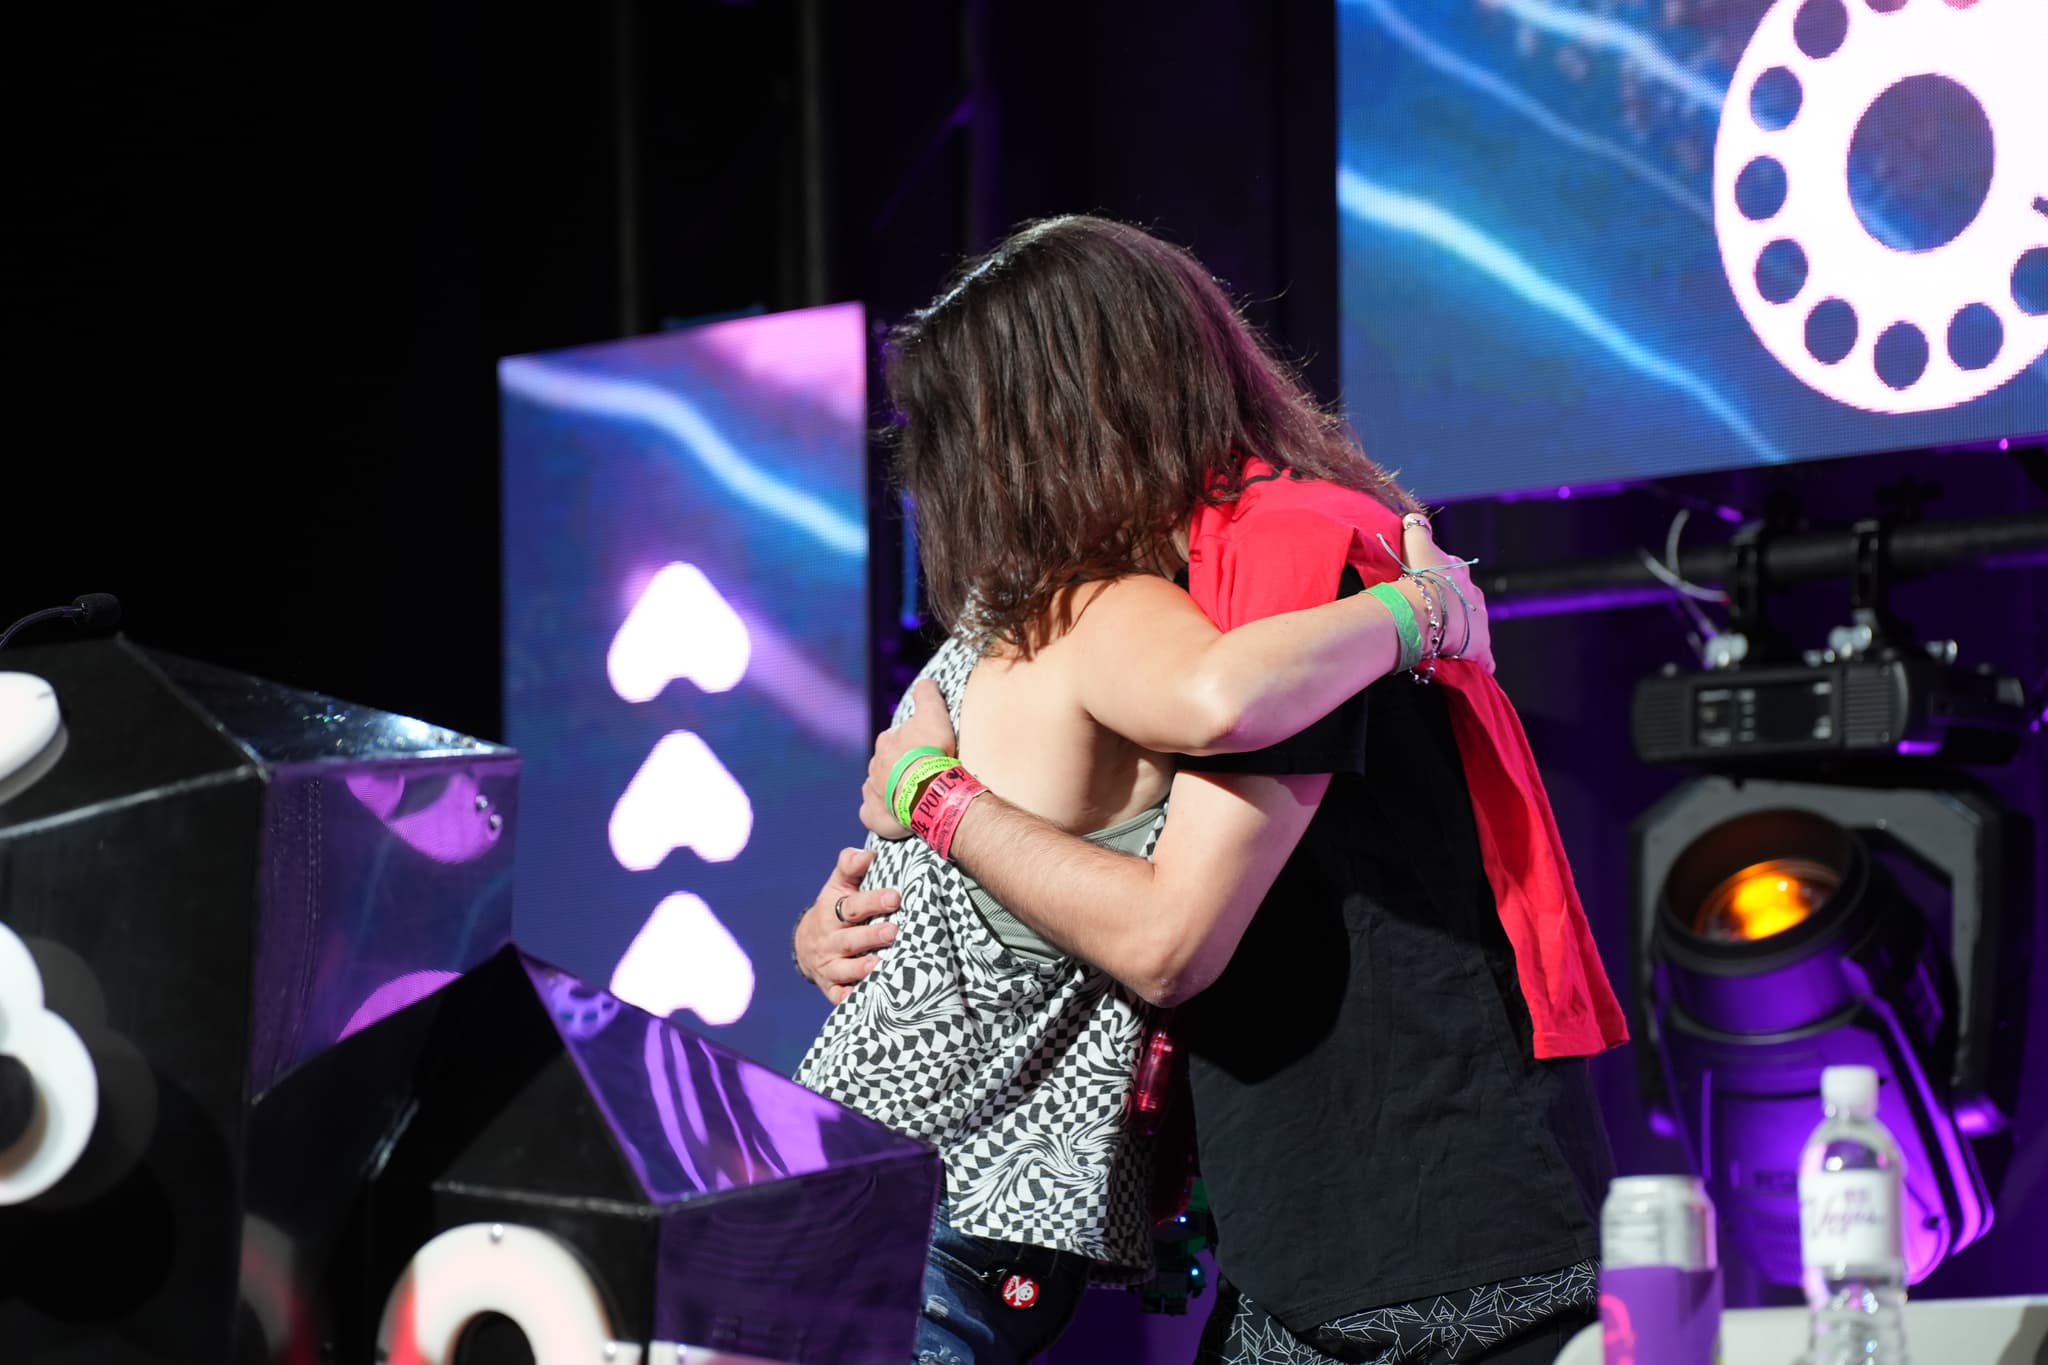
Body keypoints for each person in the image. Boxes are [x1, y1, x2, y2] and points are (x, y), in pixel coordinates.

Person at [802, 218, 1629, 1364]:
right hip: (1325, 1234)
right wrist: (874, 905)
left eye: (965, 439)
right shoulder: (1105, 600)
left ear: (1056, 416)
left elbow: (1170, 927)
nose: (953, 489)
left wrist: (1424, 612)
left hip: (1416, 1226)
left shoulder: (1273, 550)